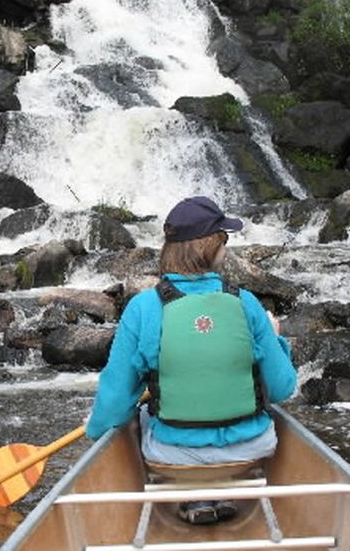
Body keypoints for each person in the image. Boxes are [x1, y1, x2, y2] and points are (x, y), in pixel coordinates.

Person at [85, 196, 297, 525]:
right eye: (224, 240)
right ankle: (223, 489)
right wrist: (275, 336)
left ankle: (195, 494)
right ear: (211, 246)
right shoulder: (247, 303)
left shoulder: (142, 308)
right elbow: (283, 388)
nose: (226, 248)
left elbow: (113, 404)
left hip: (173, 457)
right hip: (250, 451)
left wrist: (97, 436)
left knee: (138, 414)